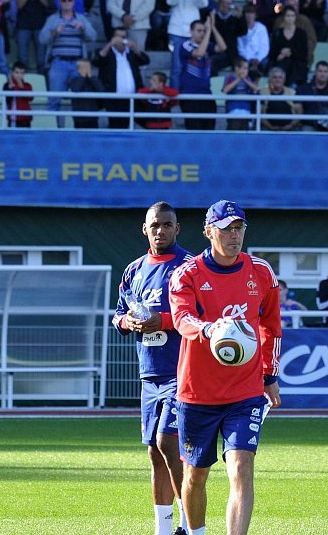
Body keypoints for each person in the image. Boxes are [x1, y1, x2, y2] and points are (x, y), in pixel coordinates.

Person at [169, 200, 282, 535]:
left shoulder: (261, 271)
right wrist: (210, 329)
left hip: (245, 392)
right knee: (195, 475)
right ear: (209, 231)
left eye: (239, 228)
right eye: (226, 229)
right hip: (197, 393)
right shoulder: (187, 274)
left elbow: (271, 327)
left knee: (241, 467)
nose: (234, 235)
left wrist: (269, 374)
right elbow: (181, 318)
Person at [112, 202, 194, 535]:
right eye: (155, 225)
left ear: (177, 228)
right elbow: (118, 314)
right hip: (149, 373)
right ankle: (163, 527)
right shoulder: (134, 270)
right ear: (145, 229)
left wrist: (164, 321)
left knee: (168, 442)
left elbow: (202, 316)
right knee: (154, 452)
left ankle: (190, 523)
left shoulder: (189, 267)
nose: (161, 230)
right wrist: (127, 322)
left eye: (167, 224)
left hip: (182, 371)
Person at [40, 0, 97, 127]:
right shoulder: (53, 19)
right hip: (58, 63)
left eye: (69, 0)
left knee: (80, 99)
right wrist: (55, 32)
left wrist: (83, 29)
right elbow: (42, 39)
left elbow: (93, 37)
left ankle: (79, 128)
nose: (67, 3)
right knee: (54, 100)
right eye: (64, 0)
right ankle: (52, 129)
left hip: (78, 64)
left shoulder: (81, 19)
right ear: (59, 3)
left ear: (74, 2)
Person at [94, 27, 150, 128]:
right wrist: (110, 45)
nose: (121, 40)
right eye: (118, 37)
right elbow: (96, 61)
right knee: (118, 127)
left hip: (134, 98)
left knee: (146, 124)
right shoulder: (107, 52)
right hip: (115, 99)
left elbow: (145, 60)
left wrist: (135, 48)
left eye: (124, 37)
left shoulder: (131, 53)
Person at [166, 0, 209, 90]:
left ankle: (187, 92)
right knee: (176, 67)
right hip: (176, 33)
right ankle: (174, 96)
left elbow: (205, 3)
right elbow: (170, 1)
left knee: (192, 66)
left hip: (192, 34)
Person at [296, 60, 328, 132]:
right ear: (315, 72)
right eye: (320, 71)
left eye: (325, 71)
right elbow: (298, 108)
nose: (323, 74)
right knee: (305, 132)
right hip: (311, 125)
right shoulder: (303, 89)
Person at [67, 57, 105, 129]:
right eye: (83, 68)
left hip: (92, 116)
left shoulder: (94, 79)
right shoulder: (74, 79)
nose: (86, 70)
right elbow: (76, 89)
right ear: (78, 69)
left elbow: (101, 90)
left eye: (87, 67)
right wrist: (83, 76)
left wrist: (91, 77)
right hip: (79, 117)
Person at [3, 61, 33, 127]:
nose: (19, 75)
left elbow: (31, 98)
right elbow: (7, 99)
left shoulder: (28, 85)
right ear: (12, 73)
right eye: (17, 72)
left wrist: (22, 88)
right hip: (13, 120)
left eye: (22, 73)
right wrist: (10, 87)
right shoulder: (7, 85)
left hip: (26, 120)